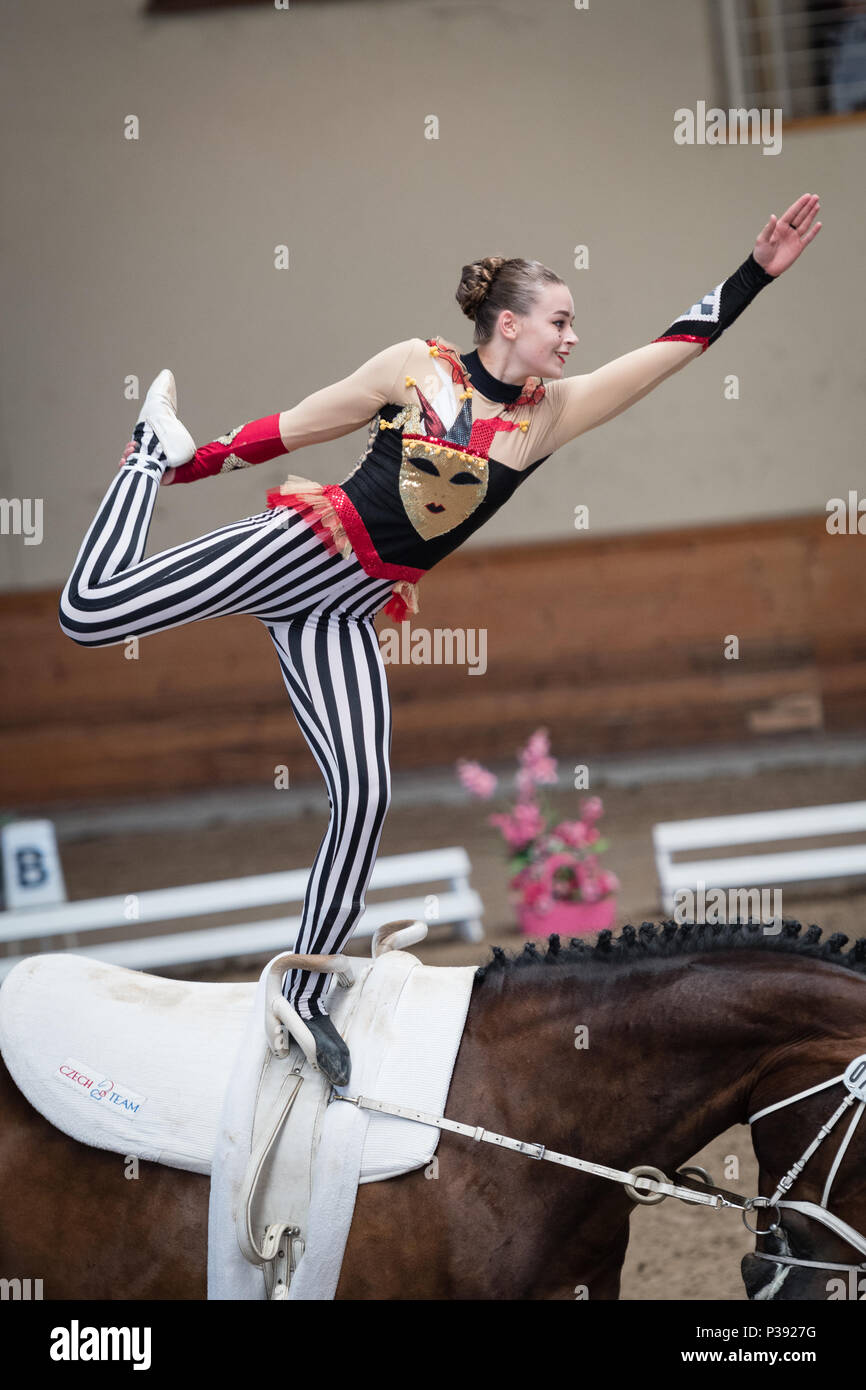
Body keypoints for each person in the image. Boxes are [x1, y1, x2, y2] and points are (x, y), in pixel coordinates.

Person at [58, 194, 822, 1086]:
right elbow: (295, 426)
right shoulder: (415, 365)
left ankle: (303, 999)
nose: (574, 338)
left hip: (347, 609)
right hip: (301, 547)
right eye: (561, 321)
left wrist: (754, 276)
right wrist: (180, 460)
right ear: (509, 322)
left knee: (366, 795)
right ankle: (141, 455)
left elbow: (672, 349)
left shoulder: (550, 416)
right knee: (88, 614)